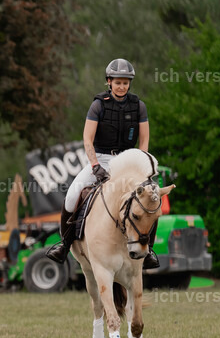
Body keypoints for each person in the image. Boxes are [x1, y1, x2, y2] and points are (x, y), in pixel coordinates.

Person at [47, 58, 158, 268]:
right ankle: (64, 244)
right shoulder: (98, 104)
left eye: (125, 82)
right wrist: (95, 165)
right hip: (101, 158)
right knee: (72, 194)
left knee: (152, 197)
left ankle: (149, 249)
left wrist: (141, 166)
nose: (122, 86)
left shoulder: (139, 106)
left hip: (128, 160)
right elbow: (87, 139)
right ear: (109, 81)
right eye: (118, 82)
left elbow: (143, 140)